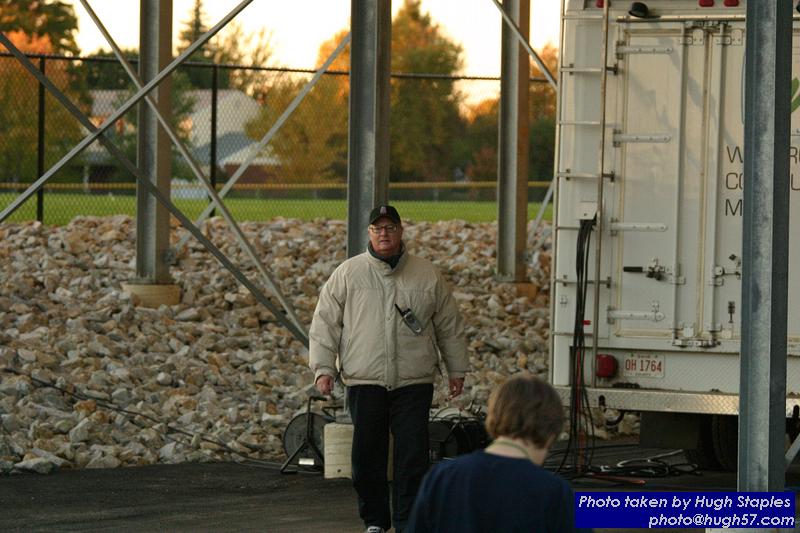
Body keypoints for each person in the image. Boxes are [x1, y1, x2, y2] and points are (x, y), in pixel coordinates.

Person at [309, 204, 469, 533]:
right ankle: (375, 523)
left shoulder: (427, 274)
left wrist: (457, 370)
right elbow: (325, 325)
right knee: (367, 458)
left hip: (414, 381)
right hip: (364, 380)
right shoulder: (347, 273)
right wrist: (323, 369)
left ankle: (409, 522)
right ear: (368, 233)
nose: (384, 233)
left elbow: (449, 326)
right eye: (377, 228)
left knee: (412, 459)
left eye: (390, 227)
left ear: (401, 231)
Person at [406, 374, 587, 533]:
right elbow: (603, 510)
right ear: (551, 433)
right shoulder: (554, 492)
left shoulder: (441, 477)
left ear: (493, 416)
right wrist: (609, 509)